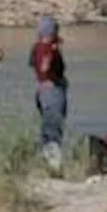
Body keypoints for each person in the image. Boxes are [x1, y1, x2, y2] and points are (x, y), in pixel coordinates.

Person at [30, 15, 67, 169]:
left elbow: (33, 65)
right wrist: (53, 51)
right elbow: (45, 66)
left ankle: (45, 160)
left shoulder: (36, 47)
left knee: (46, 127)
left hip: (41, 90)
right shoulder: (48, 49)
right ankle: (54, 165)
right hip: (52, 91)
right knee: (53, 127)